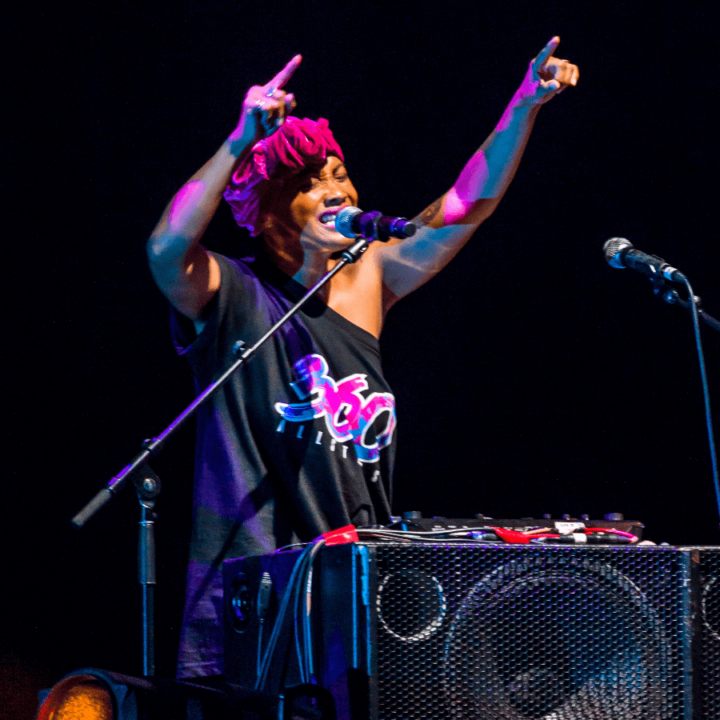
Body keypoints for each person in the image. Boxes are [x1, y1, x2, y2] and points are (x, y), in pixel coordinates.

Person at [147, 39, 579, 678]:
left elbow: (462, 206)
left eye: (337, 172)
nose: (332, 188)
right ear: (265, 212)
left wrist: (524, 106)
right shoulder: (233, 293)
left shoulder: (371, 277)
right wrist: (239, 142)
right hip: (254, 600)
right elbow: (166, 248)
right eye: (306, 181)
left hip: (352, 589)